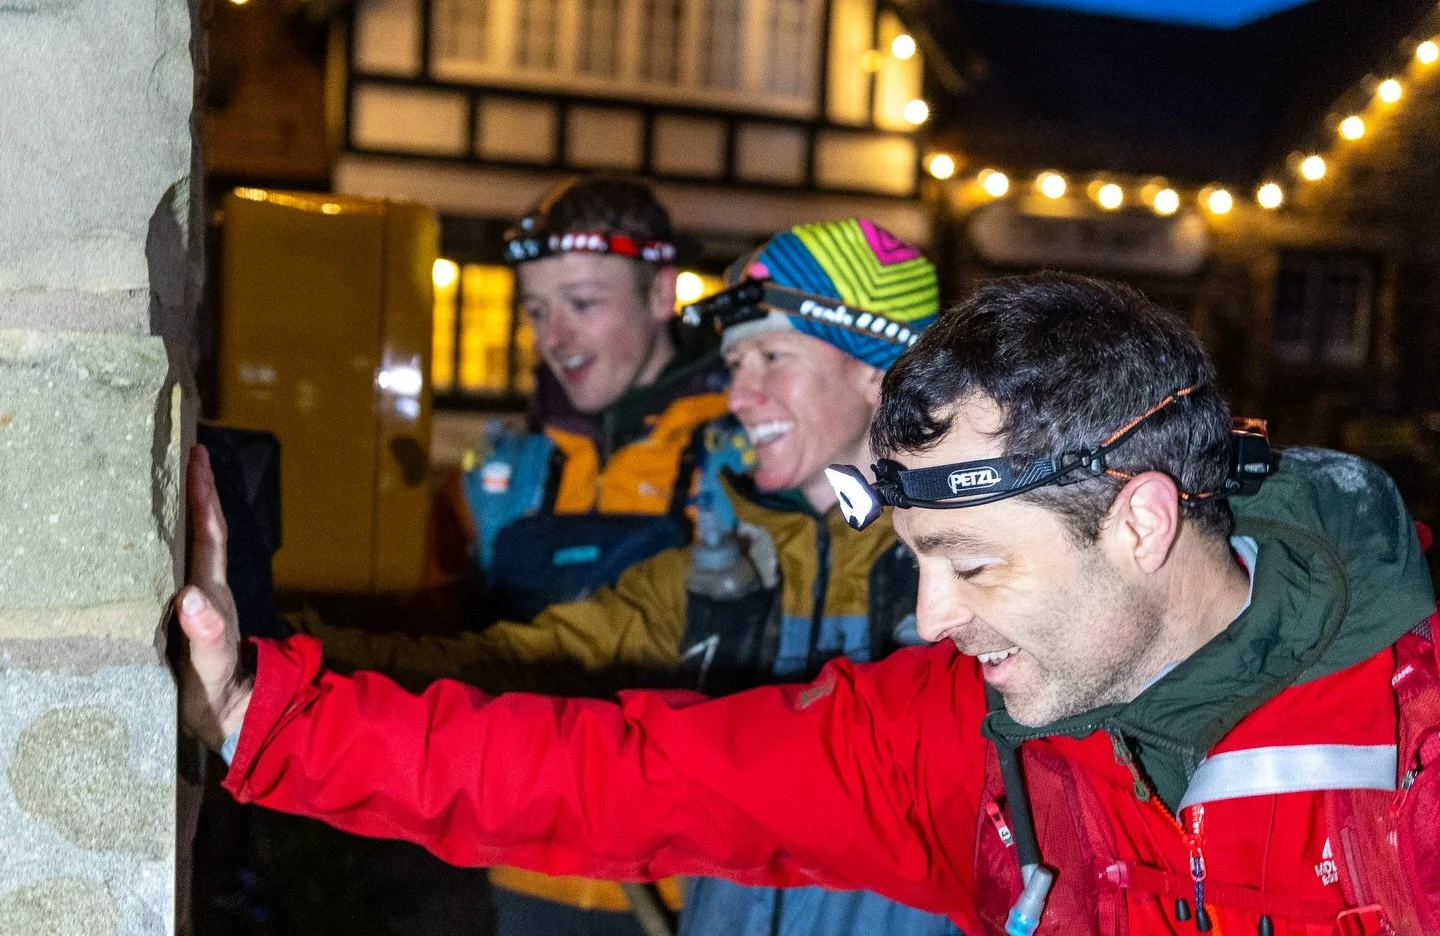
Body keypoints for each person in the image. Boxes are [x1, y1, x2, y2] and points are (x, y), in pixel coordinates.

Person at [176, 272, 1440, 935]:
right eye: (918, 561)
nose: (932, 621)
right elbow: (622, 774)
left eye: (973, 564)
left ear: (1143, 522)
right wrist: (259, 713)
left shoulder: (1412, 721)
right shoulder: (970, 742)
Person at [303, 217, 960, 936]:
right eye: (736, 364)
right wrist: (282, 661)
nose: (741, 394)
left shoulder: (967, 575)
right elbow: (514, 665)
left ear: (879, 373)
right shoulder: (714, 574)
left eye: (773, 357)